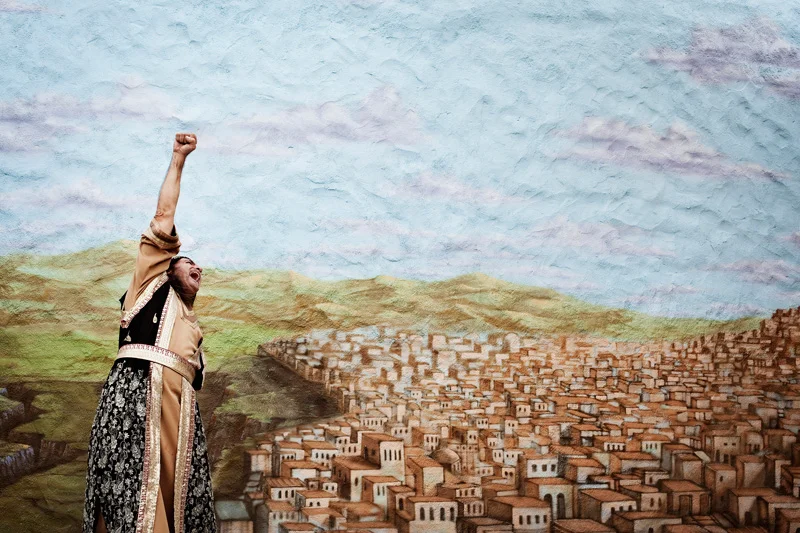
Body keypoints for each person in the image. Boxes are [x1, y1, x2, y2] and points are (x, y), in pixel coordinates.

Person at [83, 133, 216, 533]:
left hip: (180, 415)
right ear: (166, 266)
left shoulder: (192, 326)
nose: (198, 269)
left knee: (180, 502)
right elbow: (163, 217)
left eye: (199, 267)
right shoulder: (147, 288)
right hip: (136, 402)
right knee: (133, 494)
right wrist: (178, 161)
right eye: (188, 261)